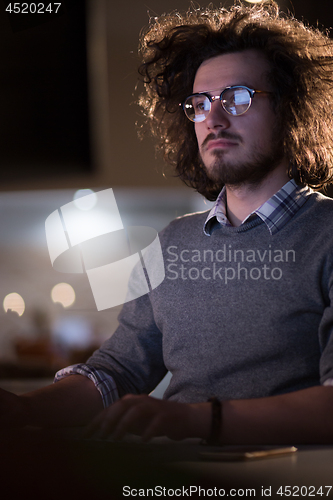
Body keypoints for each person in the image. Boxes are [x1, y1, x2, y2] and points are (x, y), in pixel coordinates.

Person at [2, 0, 333, 445]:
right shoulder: (171, 243)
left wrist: (199, 421)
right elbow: (116, 372)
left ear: (291, 110)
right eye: (198, 104)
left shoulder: (327, 235)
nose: (213, 119)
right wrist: (22, 409)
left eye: (237, 97)